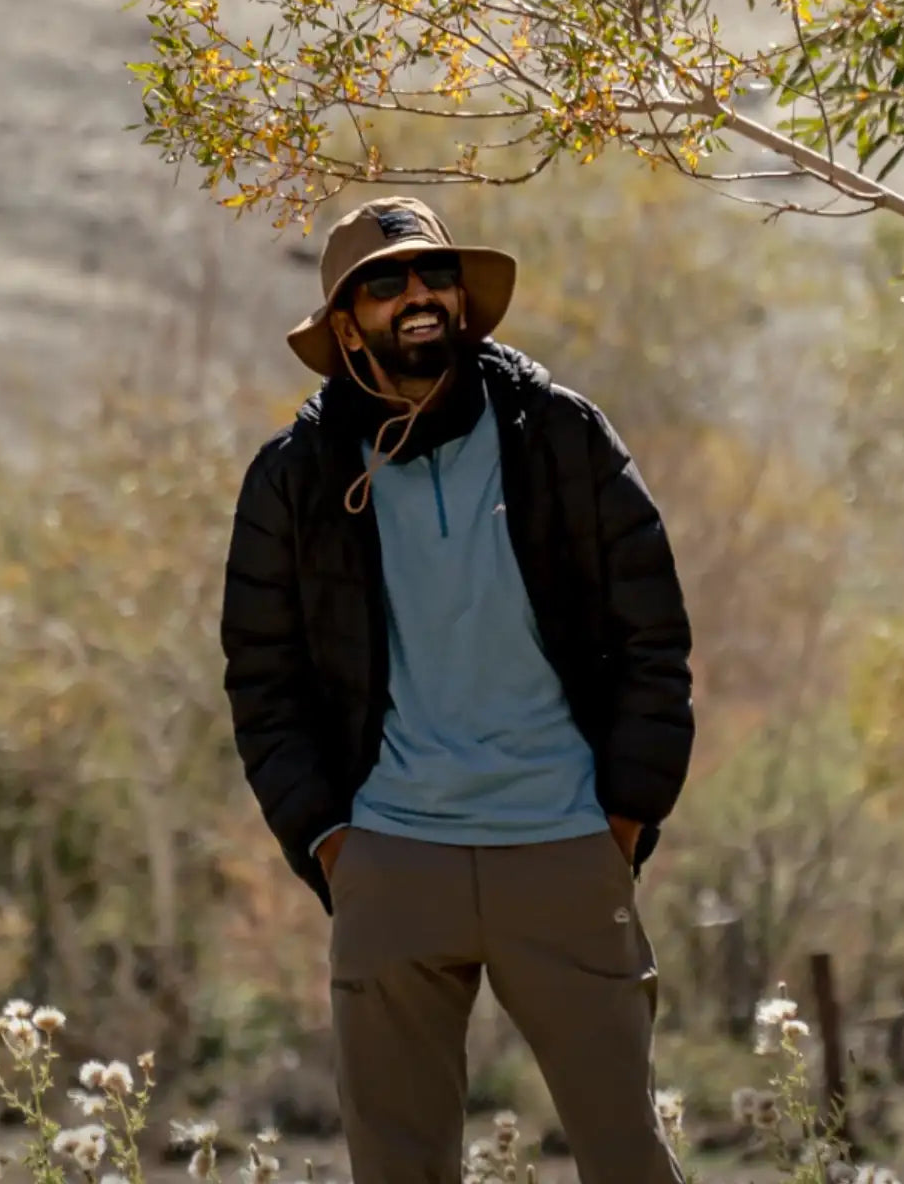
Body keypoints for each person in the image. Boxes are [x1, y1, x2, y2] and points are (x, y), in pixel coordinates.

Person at [220, 196, 694, 1184]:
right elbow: (265, 682)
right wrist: (333, 845)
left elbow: (654, 636)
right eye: (383, 286)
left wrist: (624, 820)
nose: (418, 297)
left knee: (626, 1161)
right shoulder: (295, 479)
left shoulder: (560, 435)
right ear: (346, 326)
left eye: (433, 276)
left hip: (563, 845)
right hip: (392, 859)